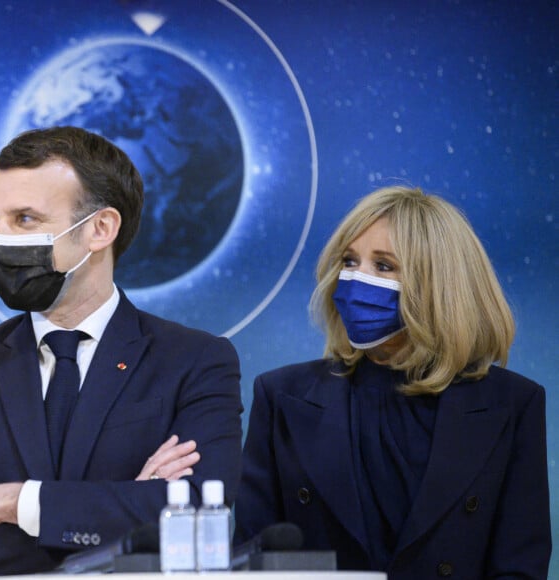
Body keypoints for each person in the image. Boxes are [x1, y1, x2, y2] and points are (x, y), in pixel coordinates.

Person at [234, 186, 551, 578]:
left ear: (439, 286)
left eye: (383, 266)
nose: (353, 279)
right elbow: (250, 559)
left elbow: (519, 566)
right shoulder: (282, 395)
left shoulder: (513, 403)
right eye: (349, 261)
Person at [0, 126, 243, 574]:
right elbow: (158, 521)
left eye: (25, 219)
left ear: (100, 228)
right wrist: (130, 507)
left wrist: (9, 502)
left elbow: (198, 514)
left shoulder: (196, 362)